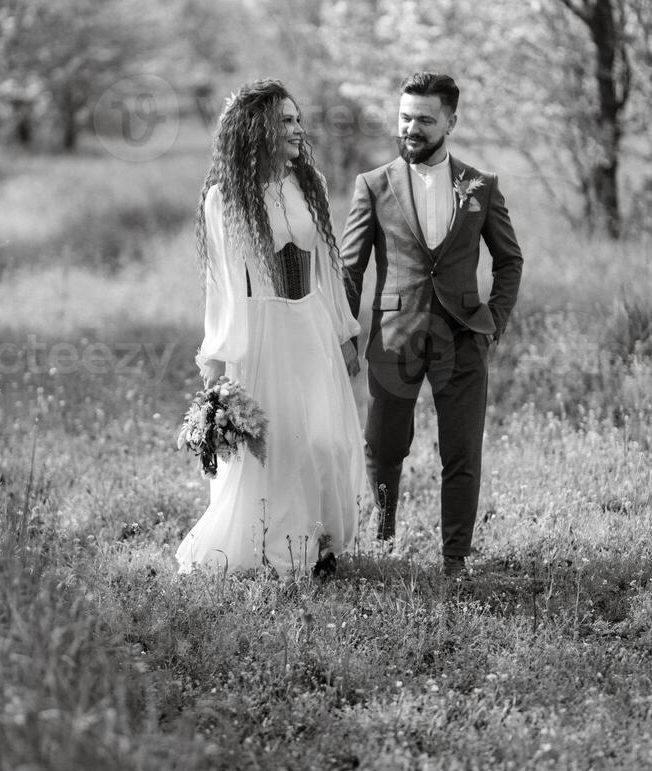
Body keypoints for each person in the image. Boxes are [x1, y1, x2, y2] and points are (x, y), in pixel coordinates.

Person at [176, 79, 364, 577]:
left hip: (311, 326)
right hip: (261, 335)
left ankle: (320, 535)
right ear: (254, 129)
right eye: (284, 121)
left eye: (298, 119)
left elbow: (327, 265)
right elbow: (220, 289)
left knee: (325, 439)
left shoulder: (311, 186)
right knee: (277, 448)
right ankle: (289, 550)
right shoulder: (225, 199)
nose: (297, 129)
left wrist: (346, 331)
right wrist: (217, 359)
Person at [341, 72, 523, 576]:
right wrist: (345, 333)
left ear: (451, 122)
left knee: (461, 450)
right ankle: (382, 539)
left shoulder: (481, 187)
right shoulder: (373, 185)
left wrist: (495, 322)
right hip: (394, 337)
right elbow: (350, 267)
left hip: (464, 336)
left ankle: (455, 558)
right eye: (405, 118)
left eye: (424, 118)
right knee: (384, 445)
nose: (411, 128)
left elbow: (509, 261)